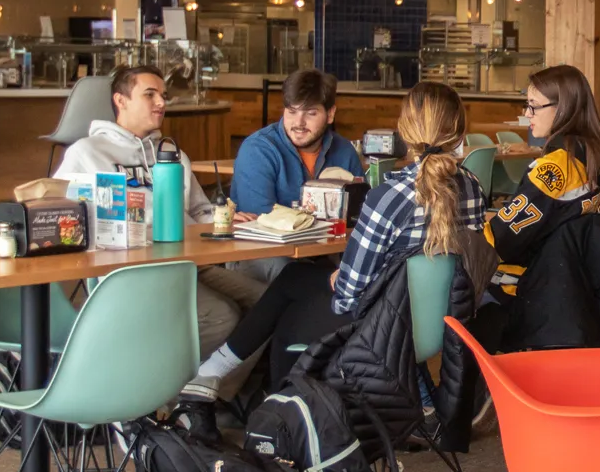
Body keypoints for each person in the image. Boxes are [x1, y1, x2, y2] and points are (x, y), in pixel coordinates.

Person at [177, 81, 487, 440]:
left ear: (403, 131)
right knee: (296, 280)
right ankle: (417, 402)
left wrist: (340, 278)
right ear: (460, 131)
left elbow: (349, 298)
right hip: (441, 324)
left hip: (383, 331)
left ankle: (263, 414)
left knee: (293, 293)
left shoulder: (388, 196)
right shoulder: (473, 189)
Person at [54, 65, 268, 399]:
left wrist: (226, 217)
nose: (161, 103)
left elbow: (198, 210)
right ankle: (159, 394)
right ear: (120, 100)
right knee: (222, 316)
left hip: (191, 262)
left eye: (163, 96)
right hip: (136, 271)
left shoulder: (172, 154)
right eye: (149, 94)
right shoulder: (87, 152)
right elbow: (64, 217)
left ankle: (204, 395)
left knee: (268, 301)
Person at [481, 64, 600, 353]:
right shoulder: (596, 156)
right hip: (584, 298)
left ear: (563, 108)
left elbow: (500, 241)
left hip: (537, 296)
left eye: (534, 107)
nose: (527, 114)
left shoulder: (557, 166)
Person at [230, 69, 365, 281]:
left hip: (325, 256)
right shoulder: (258, 149)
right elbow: (262, 220)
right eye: (291, 112)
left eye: (310, 113)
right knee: (295, 274)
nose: (298, 123)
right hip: (263, 253)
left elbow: (360, 216)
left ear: (330, 114)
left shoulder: (344, 151)